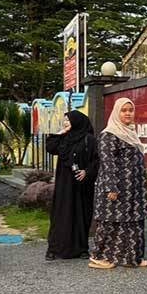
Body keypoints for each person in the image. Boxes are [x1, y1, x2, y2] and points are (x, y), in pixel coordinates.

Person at [89, 98, 147, 270]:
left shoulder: (129, 132)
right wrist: (111, 187)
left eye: (130, 110)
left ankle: (132, 258)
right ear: (116, 113)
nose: (128, 113)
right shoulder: (109, 135)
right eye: (124, 110)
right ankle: (98, 257)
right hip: (116, 187)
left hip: (133, 188)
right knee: (110, 222)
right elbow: (107, 163)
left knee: (133, 222)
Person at [46, 111, 99, 260]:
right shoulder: (64, 138)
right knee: (61, 214)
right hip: (64, 184)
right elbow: (50, 148)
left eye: (68, 121)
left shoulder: (89, 139)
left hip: (82, 184)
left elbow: (97, 160)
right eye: (65, 121)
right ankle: (55, 248)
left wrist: (87, 172)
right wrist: (61, 132)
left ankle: (81, 248)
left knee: (82, 215)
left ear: (77, 122)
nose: (65, 123)